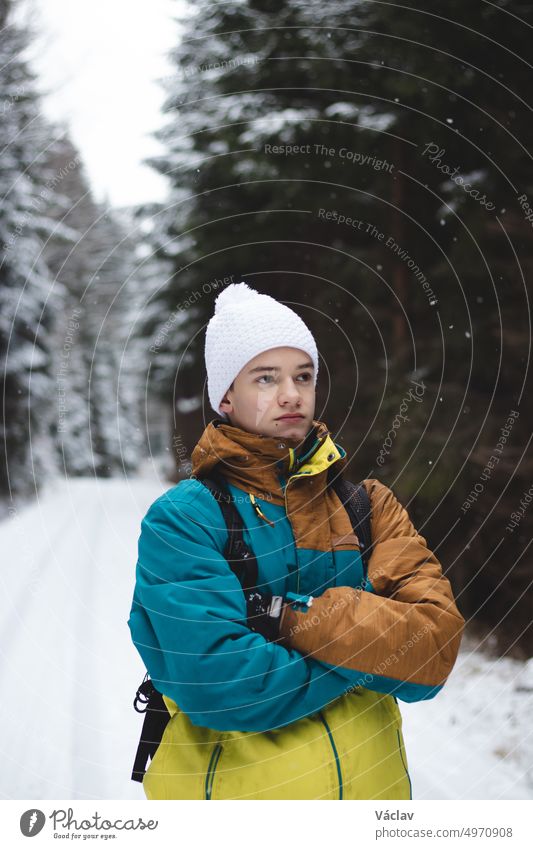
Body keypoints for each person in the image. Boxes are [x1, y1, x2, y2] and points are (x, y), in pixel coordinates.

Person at [127, 281, 465, 800]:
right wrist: (373, 651)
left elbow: (432, 651)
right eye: (266, 378)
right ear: (225, 396)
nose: (291, 394)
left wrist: (285, 616)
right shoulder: (185, 519)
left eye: (303, 376)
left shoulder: (370, 507)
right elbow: (230, 688)